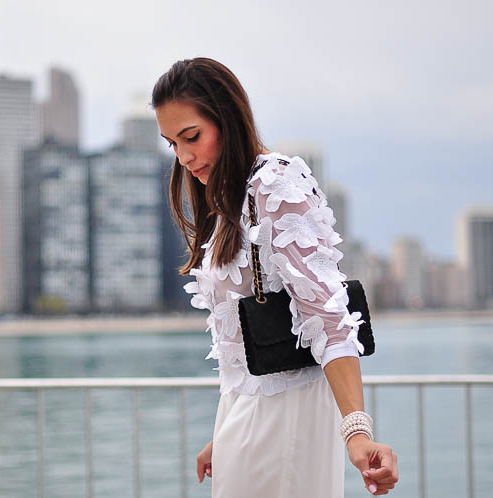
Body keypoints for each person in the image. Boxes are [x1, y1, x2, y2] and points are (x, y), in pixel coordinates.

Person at [151, 58, 399, 497]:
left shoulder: (276, 181)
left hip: (286, 415)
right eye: (173, 144)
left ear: (227, 117)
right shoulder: (230, 198)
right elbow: (242, 349)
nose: (185, 157)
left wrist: (356, 430)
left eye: (192, 137)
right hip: (245, 413)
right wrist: (226, 431)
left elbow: (327, 311)